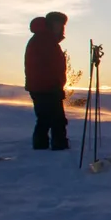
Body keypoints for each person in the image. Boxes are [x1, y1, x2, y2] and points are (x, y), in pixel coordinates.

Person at [24, 11, 70, 150]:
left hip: (42, 86)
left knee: (45, 118)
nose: (62, 28)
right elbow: (49, 66)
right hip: (46, 87)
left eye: (63, 25)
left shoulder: (44, 39)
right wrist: (55, 86)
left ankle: (42, 146)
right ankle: (58, 145)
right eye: (59, 25)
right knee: (56, 119)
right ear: (51, 24)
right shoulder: (45, 40)